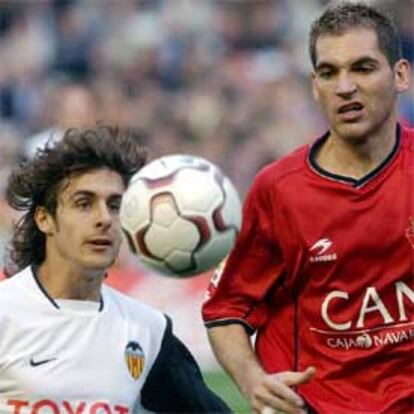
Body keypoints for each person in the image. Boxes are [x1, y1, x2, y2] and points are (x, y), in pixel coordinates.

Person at [202, 2, 413, 414]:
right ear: (315, 86)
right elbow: (227, 310)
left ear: (400, 75)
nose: (345, 87)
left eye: (363, 68)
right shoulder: (280, 190)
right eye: (330, 73)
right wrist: (252, 380)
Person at [0, 125, 231, 413]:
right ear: (45, 219)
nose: (104, 219)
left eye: (115, 205)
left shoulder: (148, 330)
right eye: (84, 203)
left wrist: (262, 388)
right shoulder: (6, 312)